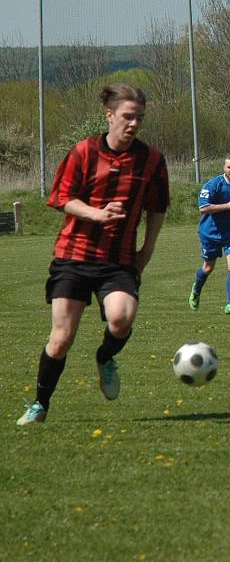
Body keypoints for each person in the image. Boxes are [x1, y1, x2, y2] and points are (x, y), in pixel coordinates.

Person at [17, 83, 170, 426]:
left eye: (139, 118)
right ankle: (40, 405)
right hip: (74, 255)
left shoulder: (151, 160)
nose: (133, 124)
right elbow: (60, 198)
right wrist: (96, 213)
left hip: (119, 261)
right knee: (61, 339)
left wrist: (147, 248)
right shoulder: (83, 152)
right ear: (110, 115)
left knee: (121, 317)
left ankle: (105, 357)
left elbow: (158, 207)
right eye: (128, 117)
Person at [188, 154, 230, 314]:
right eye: (229, 167)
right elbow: (203, 208)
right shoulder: (213, 185)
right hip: (210, 233)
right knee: (208, 268)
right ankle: (196, 289)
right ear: (224, 168)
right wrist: (228, 206)